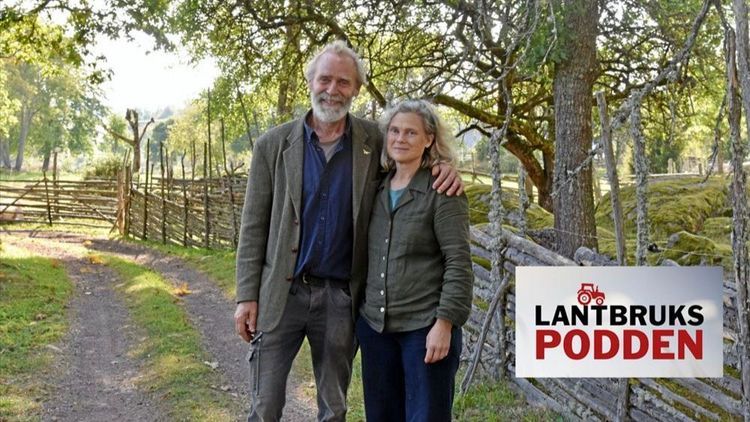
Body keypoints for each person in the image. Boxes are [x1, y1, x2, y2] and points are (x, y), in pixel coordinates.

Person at [233, 41, 463, 422]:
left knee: (334, 408)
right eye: (325, 79)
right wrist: (246, 296)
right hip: (282, 294)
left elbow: (414, 150)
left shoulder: (374, 140)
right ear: (311, 81)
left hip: (339, 299)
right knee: (265, 404)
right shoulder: (272, 146)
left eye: (343, 82)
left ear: (356, 89)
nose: (332, 89)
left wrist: (444, 166)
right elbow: (253, 226)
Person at [355, 99, 474, 422]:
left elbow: (458, 262)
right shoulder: (374, 188)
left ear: (429, 139)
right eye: (394, 131)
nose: (400, 139)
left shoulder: (442, 191)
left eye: (411, 132)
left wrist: (445, 324)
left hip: (424, 329)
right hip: (376, 328)